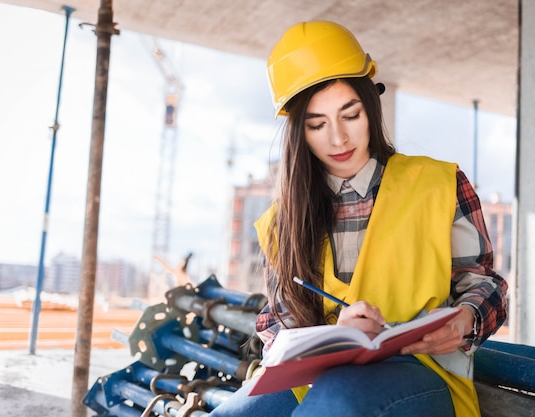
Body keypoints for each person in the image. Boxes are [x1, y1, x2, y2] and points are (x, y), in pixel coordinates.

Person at [210, 20, 508, 417]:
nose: (338, 139)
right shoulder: (283, 221)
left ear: (371, 105)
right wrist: (335, 336)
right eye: (317, 125)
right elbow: (275, 323)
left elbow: (485, 283)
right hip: (318, 376)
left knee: (337, 403)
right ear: (299, 132)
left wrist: (465, 319)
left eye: (350, 115)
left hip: (422, 371)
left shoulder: (439, 183)